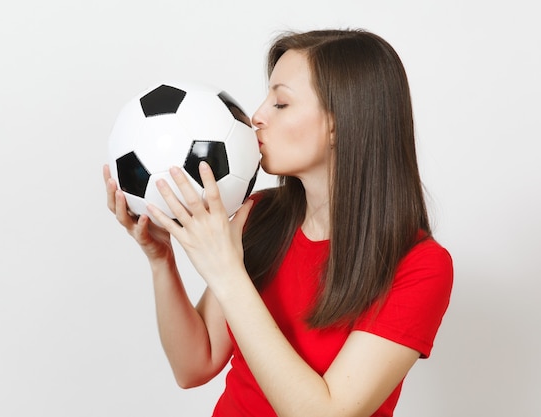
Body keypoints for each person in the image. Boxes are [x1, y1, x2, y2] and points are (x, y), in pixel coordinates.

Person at [103, 28, 453, 417]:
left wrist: (227, 272)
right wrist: (161, 260)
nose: (256, 116)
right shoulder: (258, 214)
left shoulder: (421, 266)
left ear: (338, 124)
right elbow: (193, 366)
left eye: (281, 103)